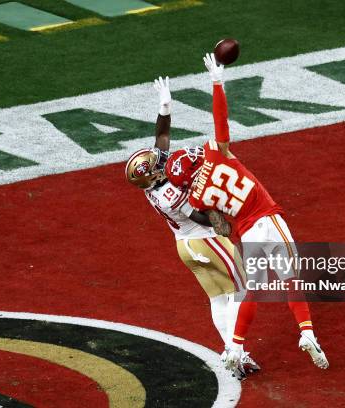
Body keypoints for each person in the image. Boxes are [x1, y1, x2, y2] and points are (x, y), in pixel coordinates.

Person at [164, 55, 329, 374]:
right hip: (268, 218)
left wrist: (236, 239)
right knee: (291, 279)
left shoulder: (197, 197)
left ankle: (236, 346)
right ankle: (307, 333)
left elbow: (222, 226)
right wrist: (216, 82)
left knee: (253, 288)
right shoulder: (215, 155)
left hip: (248, 232)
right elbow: (221, 122)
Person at [125, 76, 260, 378]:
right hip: (205, 239)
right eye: (153, 163)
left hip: (184, 246)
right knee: (241, 291)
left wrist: (165, 106)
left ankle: (230, 351)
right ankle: (237, 351)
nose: (158, 159)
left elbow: (160, 140)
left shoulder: (154, 184)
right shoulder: (167, 192)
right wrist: (218, 218)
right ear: (150, 176)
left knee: (218, 297)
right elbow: (195, 214)